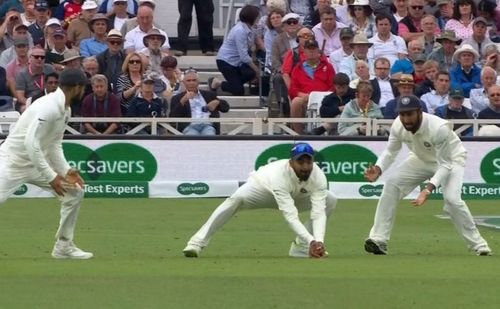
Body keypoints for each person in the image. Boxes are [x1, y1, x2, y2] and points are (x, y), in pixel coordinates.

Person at [363, 94, 492, 255]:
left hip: (452, 159)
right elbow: (391, 151)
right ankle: (378, 239)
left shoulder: (439, 128)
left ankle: (479, 245)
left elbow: (445, 164)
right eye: (402, 114)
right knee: (392, 185)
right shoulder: (398, 125)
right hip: (420, 159)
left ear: (419, 112)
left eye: (410, 114)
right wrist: (378, 168)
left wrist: (428, 189)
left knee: (452, 200)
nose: (406, 119)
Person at [183, 142, 337, 258]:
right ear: (291, 163)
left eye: (308, 162)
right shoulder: (279, 175)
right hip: (262, 190)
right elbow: (291, 216)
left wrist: (319, 240)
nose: (305, 166)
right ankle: (196, 243)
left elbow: (318, 213)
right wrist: (312, 240)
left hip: (297, 195)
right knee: (237, 198)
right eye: (300, 162)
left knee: (330, 199)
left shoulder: (319, 177)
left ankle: (302, 248)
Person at [0, 68, 93, 259]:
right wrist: (52, 177)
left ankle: (63, 247)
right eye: (83, 88)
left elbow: (53, 144)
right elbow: (30, 143)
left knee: (75, 191)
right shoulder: (48, 107)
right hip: (11, 162)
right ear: (76, 88)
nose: (84, 92)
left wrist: (66, 171)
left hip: (35, 163)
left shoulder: (65, 109)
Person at [208, 5, 260, 96]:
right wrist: (257, 70)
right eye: (257, 17)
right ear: (251, 18)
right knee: (238, 90)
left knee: (250, 73)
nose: (258, 19)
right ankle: (217, 82)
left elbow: (252, 47)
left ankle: (235, 83)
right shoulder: (240, 30)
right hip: (226, 62)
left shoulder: (250, 29)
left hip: (237, 62)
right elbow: (244, 56)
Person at [169, 69, 229, 135]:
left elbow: (226, 108)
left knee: (210, 135)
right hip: (189, 127)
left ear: (198, 82)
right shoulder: (177, 98)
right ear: (184, 82)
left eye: (194, 80)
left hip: (208, 126)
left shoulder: (209, 95)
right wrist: (182, 101)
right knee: (192, 136)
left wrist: (218, 102)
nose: (191, 83)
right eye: (188, 81)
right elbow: (172, 118)